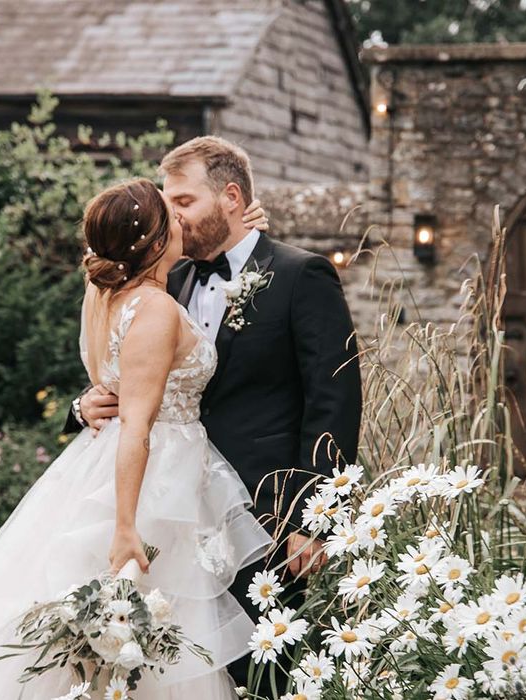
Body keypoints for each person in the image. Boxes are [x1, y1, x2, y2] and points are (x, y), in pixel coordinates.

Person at [0, 178, 273, 700]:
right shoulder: (156, 308)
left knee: (135, 631)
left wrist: (245, 224)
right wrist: (124, 527)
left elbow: (111, 390)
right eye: (173, 215)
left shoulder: (113, 297)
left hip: (119, 460)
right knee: (147, 623)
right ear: (156, 242)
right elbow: (137, 423)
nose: (183, 222)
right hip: (152, 474)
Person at [63, 136, 362, 694]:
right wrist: (81, 405)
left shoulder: (302, 276)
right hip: (170, 511)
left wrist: (314, 521)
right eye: (166, 202)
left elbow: (335, 402)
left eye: (182, 201)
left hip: (262, 514)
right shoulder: (161, 278)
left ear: (230, 197)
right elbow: (124, 368)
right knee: (175, 665)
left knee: (275, 672)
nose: (168, 215)